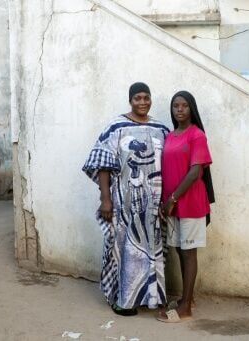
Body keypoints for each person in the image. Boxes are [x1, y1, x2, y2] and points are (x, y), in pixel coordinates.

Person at [82, 82, 169, 316]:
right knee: (121, 248)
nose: (142, 102)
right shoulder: (116, 127)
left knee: (153, 249)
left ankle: (152, 297)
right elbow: (102, 165)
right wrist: (105, 199)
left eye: (146, 98)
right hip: (123, 204)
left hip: (153, 206)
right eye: (137, 98)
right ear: (130, 100)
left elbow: (170, 166)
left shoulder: (161, 128)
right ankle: (120, 299)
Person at [157, 90, 215, 323]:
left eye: (184, 105)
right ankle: (185, 299)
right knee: (180, 250)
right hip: (172, 204)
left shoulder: (196, 135)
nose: (179, 109)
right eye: (175, 106)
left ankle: (186, 308)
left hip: (189, 203)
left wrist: (173, 199)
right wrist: (166, 201)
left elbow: (195, 172)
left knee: (189, 252)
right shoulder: (171, 136)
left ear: (192, 108)